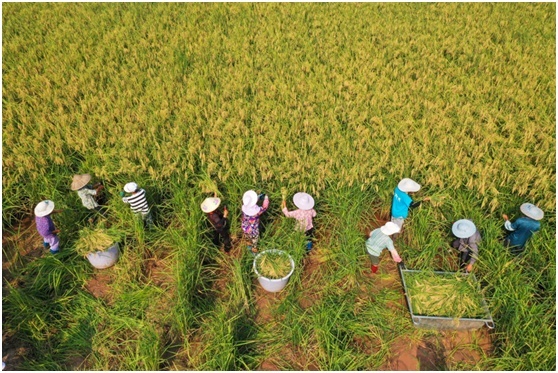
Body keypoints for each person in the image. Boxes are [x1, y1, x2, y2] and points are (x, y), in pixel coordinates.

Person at [241, 190, 269, 255]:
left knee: (247, 238)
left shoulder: (244, 207)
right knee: (254, 241)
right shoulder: (256, 212)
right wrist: (266, 198)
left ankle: (248, 246)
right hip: (253, 230)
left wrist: (258, 197)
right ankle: (254, 252)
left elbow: (250, 202)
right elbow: (264, 207)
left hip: (245, 227)